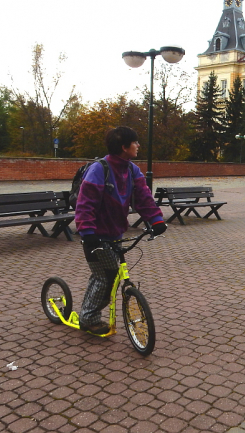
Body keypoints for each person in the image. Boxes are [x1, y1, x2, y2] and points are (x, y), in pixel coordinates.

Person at [75, 126, 167, 335]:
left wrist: (156, 220)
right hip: (95, 235)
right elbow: (85, 204)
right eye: (135, 142)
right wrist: (88, 233)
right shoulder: (100, 169)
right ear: (124, 146)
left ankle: (88, 311)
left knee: (103, 275)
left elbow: (143, 197)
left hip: (115, 234)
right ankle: (88, 318)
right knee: (106, 276)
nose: (138, 145)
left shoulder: (131, 169)